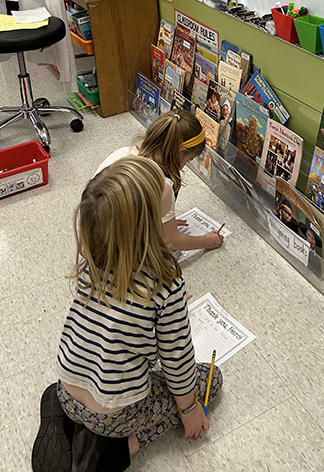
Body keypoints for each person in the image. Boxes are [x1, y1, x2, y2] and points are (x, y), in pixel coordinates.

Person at [53, 157, 223, 464]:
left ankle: (76, 426)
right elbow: (177, 362)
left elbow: (114, 316)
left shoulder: (89, 263)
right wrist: (189, 410)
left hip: (65, 392)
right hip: (114, 416)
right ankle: (122, 447)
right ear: (150, 226)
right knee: (211, 378)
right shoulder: (164, 284)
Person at [95, 110, 223, 252]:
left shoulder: (122, 153)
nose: (185, 165)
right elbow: (173, 241)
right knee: (172, 255)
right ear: (181, 151)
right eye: (189, 159)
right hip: (115, 254)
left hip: (91, 242)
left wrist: (163, 221)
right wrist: (206, 241)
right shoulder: (162, 185)